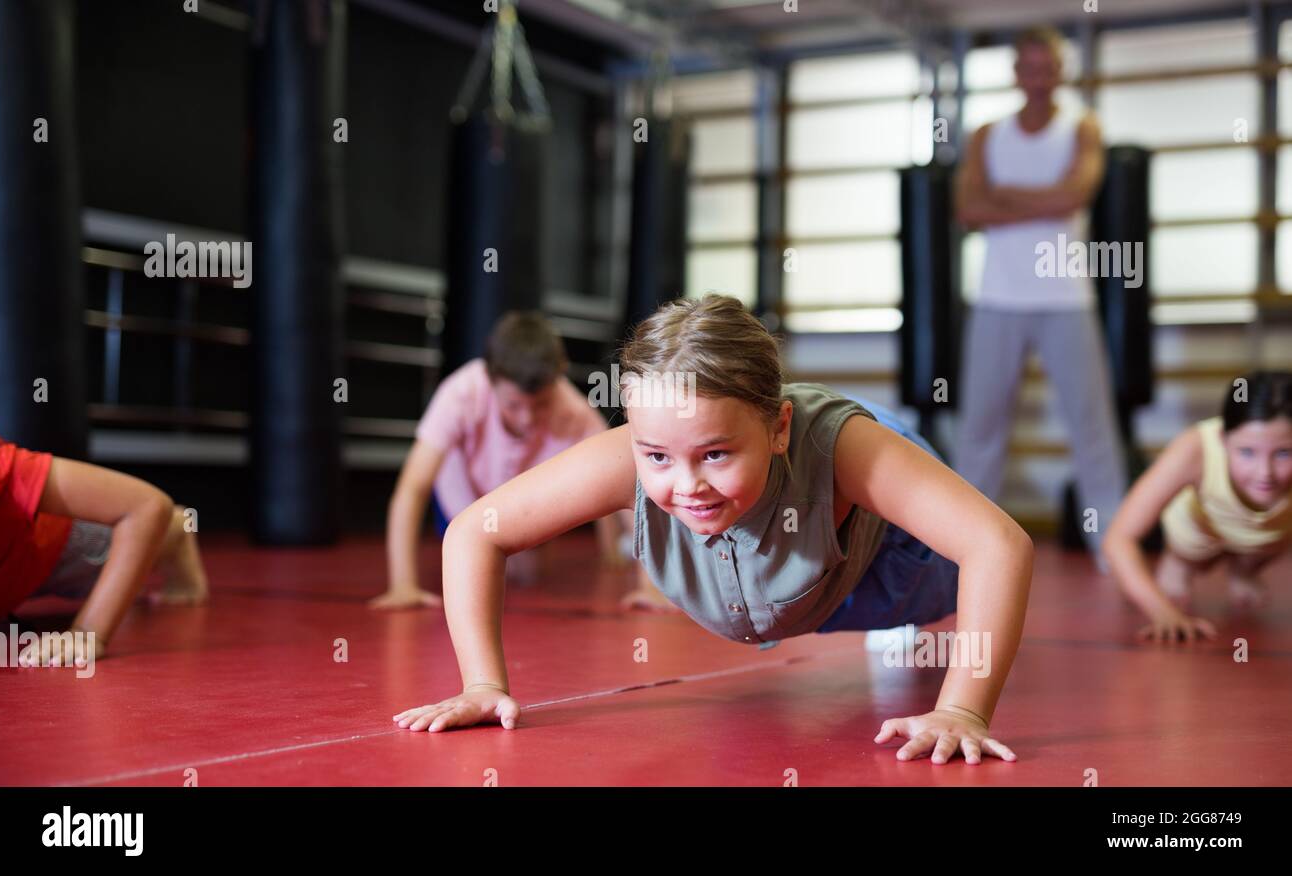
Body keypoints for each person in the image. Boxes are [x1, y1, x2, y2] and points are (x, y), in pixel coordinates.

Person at [392, 295, 1034, 765]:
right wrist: (483, 683)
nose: (686, 484)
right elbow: (477, 530)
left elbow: (997, 544)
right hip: (795, 579)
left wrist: (962, 708)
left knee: (943, 536)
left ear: (778, 429)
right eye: (658, 457)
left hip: (892, 559)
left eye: (715, 454)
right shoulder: (631, 456)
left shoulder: (837, 446)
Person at [954, 24, 1126, 564]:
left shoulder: (1082, 127)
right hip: (997, 301)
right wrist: (1044, 201)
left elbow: (1076, 194)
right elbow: (967, 211)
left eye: (1046, 66)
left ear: (1059, 70)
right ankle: (964, 548)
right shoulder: (988, 135)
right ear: (1015, 74)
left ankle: (1114, 549)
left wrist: (1004, 199)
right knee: (979, 432)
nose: (1038, 76)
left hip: (1065, 299)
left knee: (1092, 429)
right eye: (1028, 66)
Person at [370, 311, 629, 610]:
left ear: (559, 376)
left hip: (519, 501)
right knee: (474, 562)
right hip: (463, 498)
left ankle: (519, 547)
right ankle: (472, 542)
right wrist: (403, 584)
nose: (526, 418)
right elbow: (413, 488)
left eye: (541, 404)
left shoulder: (574, 411)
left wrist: (615, 554)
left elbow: (617, 477)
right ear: (489, 379)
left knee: (524, 573)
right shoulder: (461, 393)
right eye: (513, 405)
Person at [1103, 371, 1292, 643]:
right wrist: (1163, 612)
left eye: (1283, 453)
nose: (1265, 473)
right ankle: (1179, 563)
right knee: (1173, 588)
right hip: (1195, 532)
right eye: (1247, 452)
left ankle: (1245, 569)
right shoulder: (1194, 448)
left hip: (1265, 536)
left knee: (1269, 532)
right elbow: (1118, 538)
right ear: (1223, 441)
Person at [0, 431, 208, 667]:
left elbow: (147, 506)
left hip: (48, 547)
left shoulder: (1, 467)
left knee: (132, 538)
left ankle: (175, 529)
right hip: (7, 577)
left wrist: (86, 632)